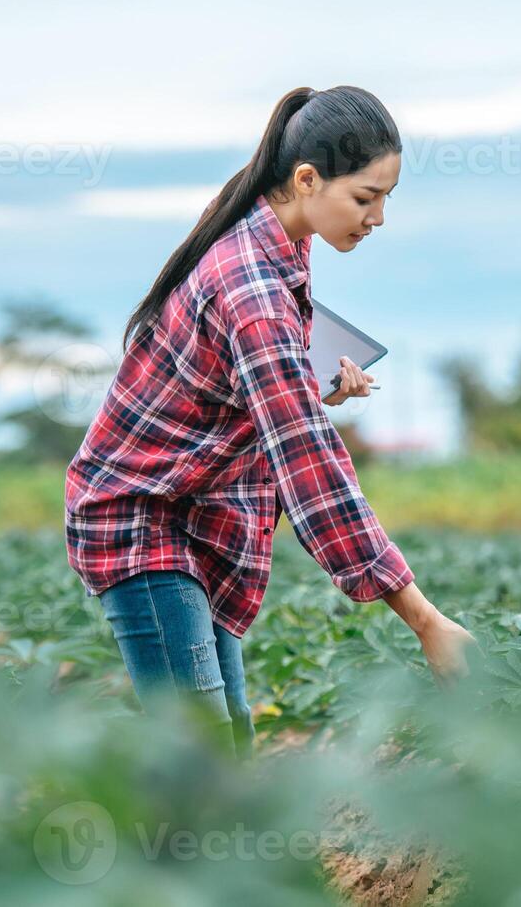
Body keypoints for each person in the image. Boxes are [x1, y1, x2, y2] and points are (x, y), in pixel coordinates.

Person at [64, 85, 478, 761]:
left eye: (386, 200)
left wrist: (306, 385)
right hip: (140, 516)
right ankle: (158, 863)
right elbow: (312, 473)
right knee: (201, 756)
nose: (377, 219)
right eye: (365, 198)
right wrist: (425, 621)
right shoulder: (252, 286)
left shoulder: (275, 234)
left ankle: (200, 855)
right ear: (307, 179)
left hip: (195, 513)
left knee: (227, 744)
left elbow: (230, 384)